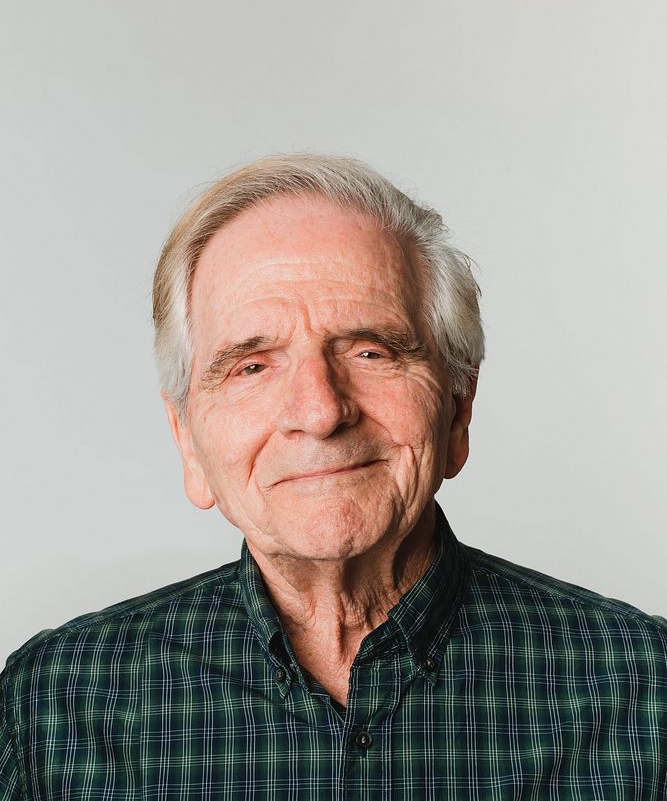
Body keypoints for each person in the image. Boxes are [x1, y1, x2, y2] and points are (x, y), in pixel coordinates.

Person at [1, 154, 665, 800]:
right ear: (188, 440)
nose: (319, 412)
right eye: (251, 366)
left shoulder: (642, 691)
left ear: (457, 408)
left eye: (370, 351)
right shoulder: (58, 704)